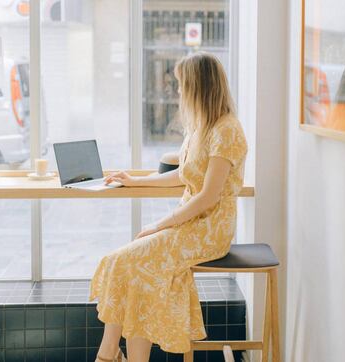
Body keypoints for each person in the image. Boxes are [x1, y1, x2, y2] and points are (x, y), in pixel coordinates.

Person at [89, 51, 248, 362]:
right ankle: (117, 354)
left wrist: (161, 225)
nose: (178, 92)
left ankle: (108, 354)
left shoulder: (227, 130)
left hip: (210, 230)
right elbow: (182, 175)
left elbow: (208, 196)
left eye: (181, 85)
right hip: (190, 224)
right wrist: (136, 181)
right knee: (131, 268)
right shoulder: (200, 128)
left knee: (127, 260)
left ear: (199, 87)